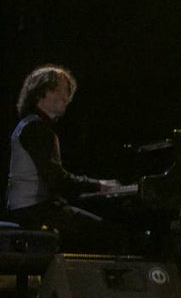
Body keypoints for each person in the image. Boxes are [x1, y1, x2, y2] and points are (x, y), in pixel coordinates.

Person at [6, 65, 127, 253]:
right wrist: (99, 186)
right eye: (59, 90)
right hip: (33, 210)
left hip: (31, 208)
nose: (66, 97)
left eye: (67, 91)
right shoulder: (36, 129)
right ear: (40, 94)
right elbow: (56, 180)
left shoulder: (33, 126)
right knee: (110, 235)